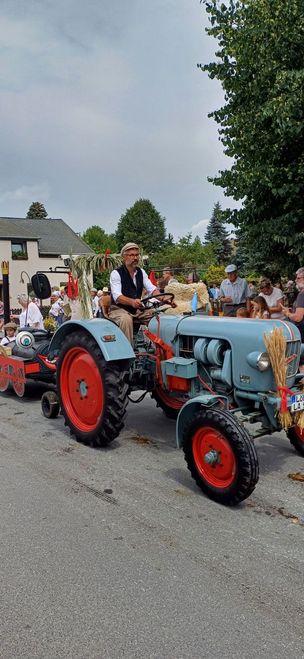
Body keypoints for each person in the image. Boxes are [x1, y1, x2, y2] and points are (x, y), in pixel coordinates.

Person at [108, 242, 161, 343]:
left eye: (137, 255)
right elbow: (117, 296)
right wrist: (132, 302)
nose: (135, 258)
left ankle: (160, 350)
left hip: (136, 311)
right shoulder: (116, 273)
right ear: (124, 257)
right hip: (118, 310)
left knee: (158, 318)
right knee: (125, 320)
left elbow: (152, 289)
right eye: (131, 255)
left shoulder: (141, 272)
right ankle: (127, 353)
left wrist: (164, 298)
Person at [280, 267, 304, 342]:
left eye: (298, 278)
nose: (295, 280)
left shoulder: (302, 294)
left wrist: (287, 313)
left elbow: (298, 318)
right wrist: (291, 310)